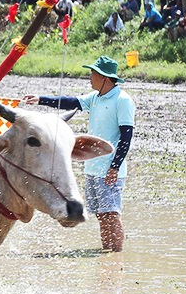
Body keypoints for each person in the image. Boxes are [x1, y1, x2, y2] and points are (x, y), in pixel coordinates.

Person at [23, 56, 134, 252]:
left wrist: (115, 167)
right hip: (92, 167)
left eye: (93, 74)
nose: (90, 77)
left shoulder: (122, 100)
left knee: (111, 213)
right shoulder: (95, 97)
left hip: (109, 169)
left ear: (105, 78)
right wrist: (41, 99)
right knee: (101, 213)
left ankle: (116, 253)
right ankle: (107, 253)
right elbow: (70, 102)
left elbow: (126, 137)